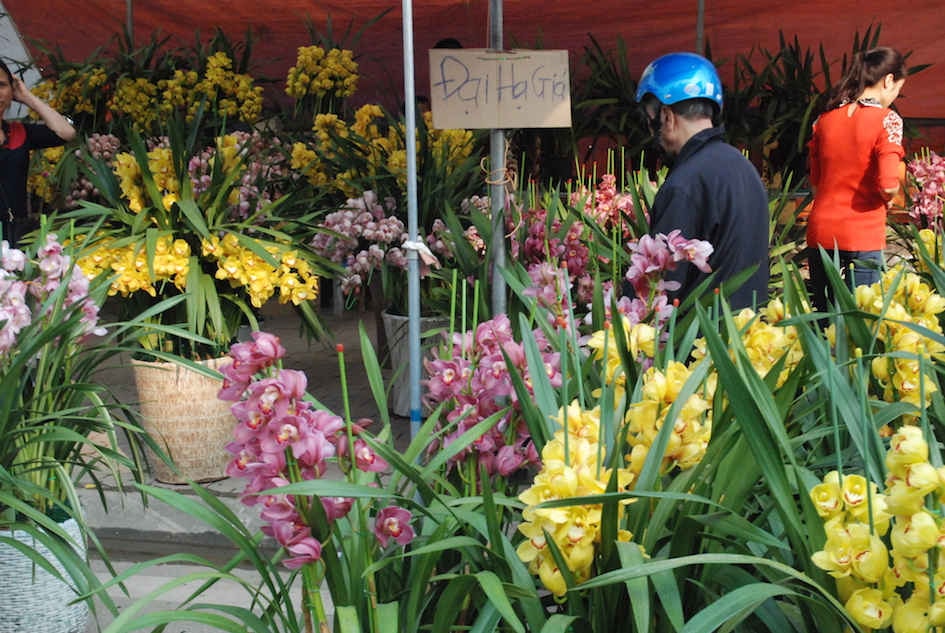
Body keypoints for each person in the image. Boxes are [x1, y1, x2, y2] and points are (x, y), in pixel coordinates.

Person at [635, 52, 770, 310]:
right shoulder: (744, 168)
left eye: (651, 120)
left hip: (699, 343)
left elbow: (660, 280)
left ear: (666, 115)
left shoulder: (686, 183)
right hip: (746, 336)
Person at [805, 46, 906, 313]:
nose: (894, 97)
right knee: (859, 326)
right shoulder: (888, 121)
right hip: (862, 236)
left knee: (824, 324)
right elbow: (887, 184)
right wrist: (892, 195)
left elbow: (815, 186)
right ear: (888, 81)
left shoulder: (823, 120)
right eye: (897, 89)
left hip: (820, 233)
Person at [0, 60, 75, 247]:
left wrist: (27, 97)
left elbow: (66, 132)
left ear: (11, 90)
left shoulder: (18, 133)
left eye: (1, 85)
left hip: (17, 238)